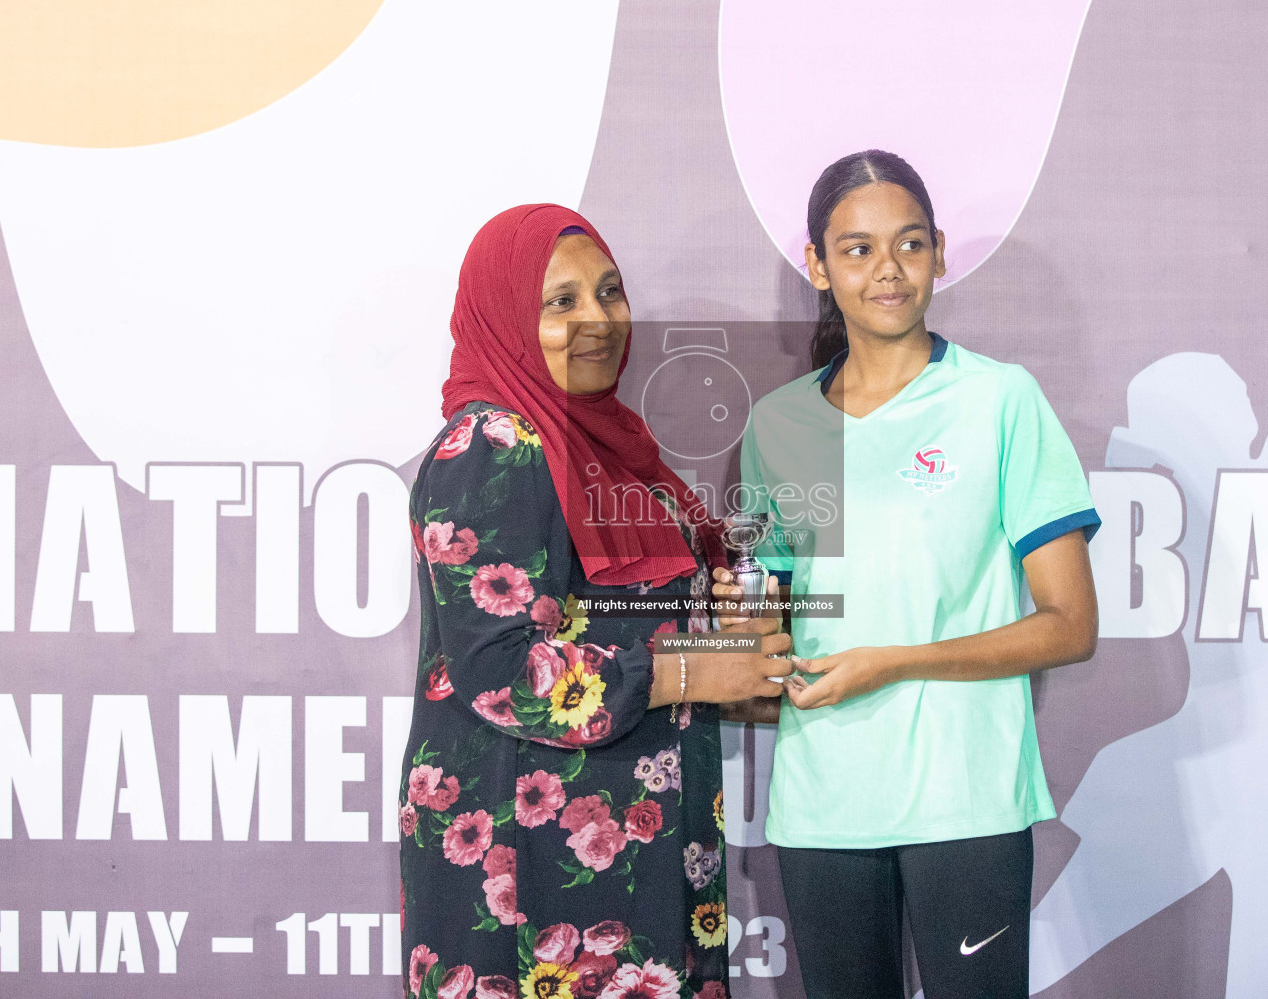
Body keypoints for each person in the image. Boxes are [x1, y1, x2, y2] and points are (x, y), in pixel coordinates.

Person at [715, 150, 1100, 999]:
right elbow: (773, 619)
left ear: (938, 254)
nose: (887, 270)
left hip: (965, 799)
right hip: (823, 804)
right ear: (817, 265)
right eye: (856, 249)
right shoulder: (779, 425)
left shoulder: (999, 401)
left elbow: (1069, 625)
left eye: (910, 244)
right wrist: (730, 642)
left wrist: (894, 661)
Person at [401, 203, 791, 999]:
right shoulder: (491, 445)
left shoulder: (613, 447)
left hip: (636, 849)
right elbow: (500, 672)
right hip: (533, 874)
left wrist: (743, 651)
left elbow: (648, 624)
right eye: (561, 301)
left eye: (609, 293)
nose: (598, 320)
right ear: (506, 315)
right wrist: (690, 672)